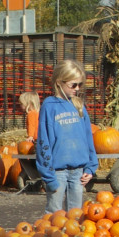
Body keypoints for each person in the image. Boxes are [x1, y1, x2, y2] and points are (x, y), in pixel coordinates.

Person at [35, 60, 97, 213]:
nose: (77, 89)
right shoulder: (49, 106)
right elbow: (44, 142)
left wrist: (91, 166)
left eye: (80, 85)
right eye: (73, 85)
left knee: (76, 214)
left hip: (78, 171)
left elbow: (88, 138)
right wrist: (48, 175)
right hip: (57, 172)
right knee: (53, 214)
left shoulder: (78, 106)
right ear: (59, 83)